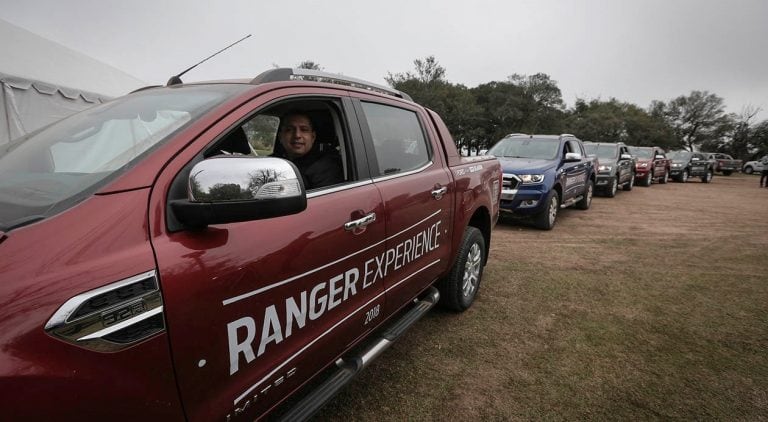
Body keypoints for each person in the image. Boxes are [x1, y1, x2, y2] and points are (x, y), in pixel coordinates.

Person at [272, 112, 344, 190]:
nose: (297, 135)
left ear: (312, 137)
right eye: (289, 130)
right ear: (280, 137)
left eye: (304, 130)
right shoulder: (272, 161)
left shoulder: (326, 168)